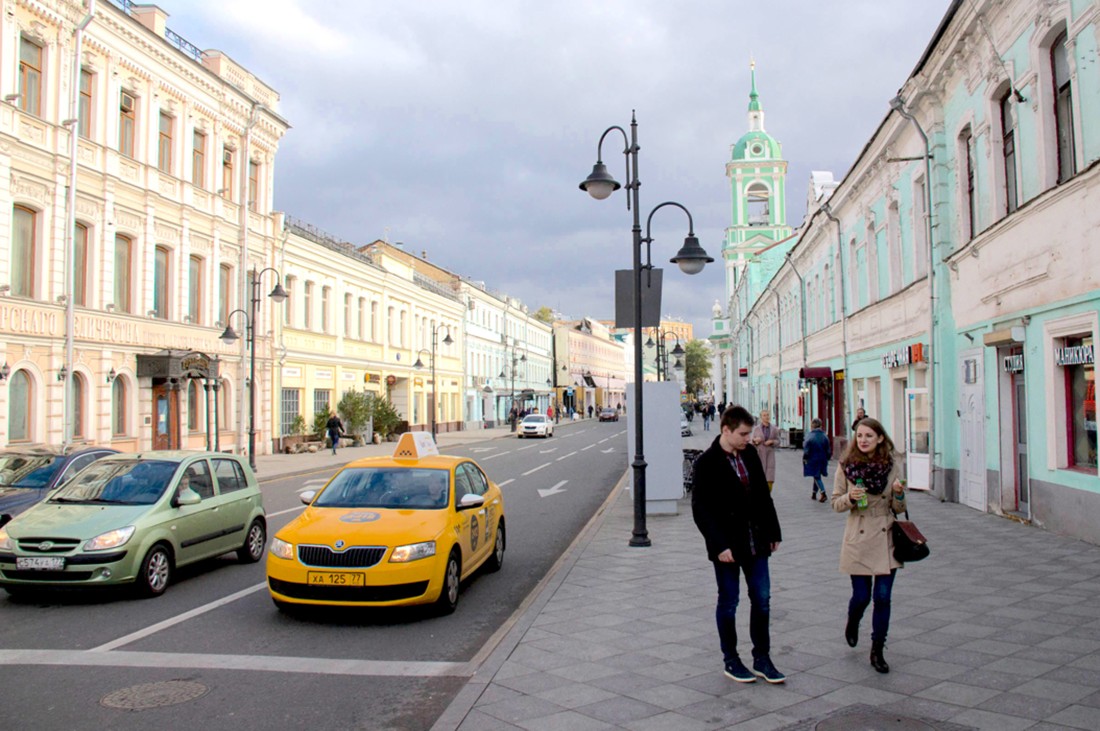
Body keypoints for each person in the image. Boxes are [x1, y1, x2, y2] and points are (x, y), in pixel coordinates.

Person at [691, 406, 786, 685]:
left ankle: (762, 658)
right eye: (743, 433)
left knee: (762, 600)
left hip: (757, 541)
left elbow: (762, 498)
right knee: (729, 602)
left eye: (749, 433)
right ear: (726, 430)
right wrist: (719, 545)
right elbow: (701, 509)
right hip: (727, 548)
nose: (748, 438)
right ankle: (731, 660)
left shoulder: (750, 455)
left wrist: (773, 531)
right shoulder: (706, 463)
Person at [831, 417, 907, 674]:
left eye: (868, 436)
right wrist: (849, 498)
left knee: (883, 597)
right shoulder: (846, 465)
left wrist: (898, 493)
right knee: (862, 596)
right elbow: (835, 504)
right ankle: (853, 620)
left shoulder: (892, 465)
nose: (862, 440)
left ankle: (877, 649)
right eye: (859, 436)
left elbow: (899, 508)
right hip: (858, 534)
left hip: (885, 534)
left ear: (880, 439)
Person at [803, 418, 831, 502]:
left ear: (812, 426)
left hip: (813, 459)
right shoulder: (824, 436)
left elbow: (806, 449)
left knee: (816, 476)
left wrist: (805, 458)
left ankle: (823, 493)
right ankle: (814, 493)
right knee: (816, 475)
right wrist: (828, 458)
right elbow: (828, 450)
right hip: (822, 459)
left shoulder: (810, 436)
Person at [751, 410, 778, 491]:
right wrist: (755, 441)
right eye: (764, 415)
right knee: (759, 478)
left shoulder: (774, 428)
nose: (766, 417)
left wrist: (772, 441)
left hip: (770, 455)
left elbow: (778, 441)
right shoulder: (756, 429)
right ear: (761, 417)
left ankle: (767, 496)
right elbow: (750, 441)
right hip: (760, 455)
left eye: (768, 415)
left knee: (769, 479)